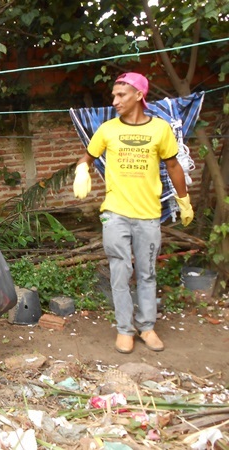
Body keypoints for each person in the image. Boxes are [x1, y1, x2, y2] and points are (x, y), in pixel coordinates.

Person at [73, 72, 194, 354]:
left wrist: (184, 200)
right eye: (113, 96)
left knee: (147, 272)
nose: (115, 101)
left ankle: (147, 327)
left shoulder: (160, 129)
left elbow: (174, 166)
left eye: (121, 95)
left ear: (139, 95)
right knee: (119, 271)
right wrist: (82, 169)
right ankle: (124, 329)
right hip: (115, 213)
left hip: (149, 214)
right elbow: (88, 156)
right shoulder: (107, 130)